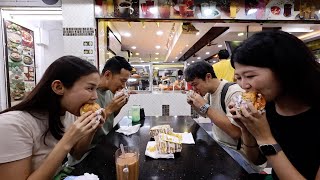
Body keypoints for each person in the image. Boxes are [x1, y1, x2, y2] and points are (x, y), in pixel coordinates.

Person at [230, 30, 320, 179]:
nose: (243, 85)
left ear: (285, 70)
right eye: (238, 77)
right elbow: (257, 159)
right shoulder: (268, 105)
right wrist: (247, 128)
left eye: (250, 76)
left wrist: (265, 137)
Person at [0, 56, 104, 179]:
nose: (95, 96)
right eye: (90, 88)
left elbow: (77, 154)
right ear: (58, 87)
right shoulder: (12, 125)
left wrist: (91, 129)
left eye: (96, 89)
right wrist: (67, 140)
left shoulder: (69, 113)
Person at [94, 56, 133, 140]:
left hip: (107, 139)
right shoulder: (91, 95)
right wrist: (109, 109)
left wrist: (119, 106)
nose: (123, 86)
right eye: (122, 81)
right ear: (107, 75)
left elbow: (110, 118)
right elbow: (88, 129)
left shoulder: (110, 91)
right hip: (93, 148)